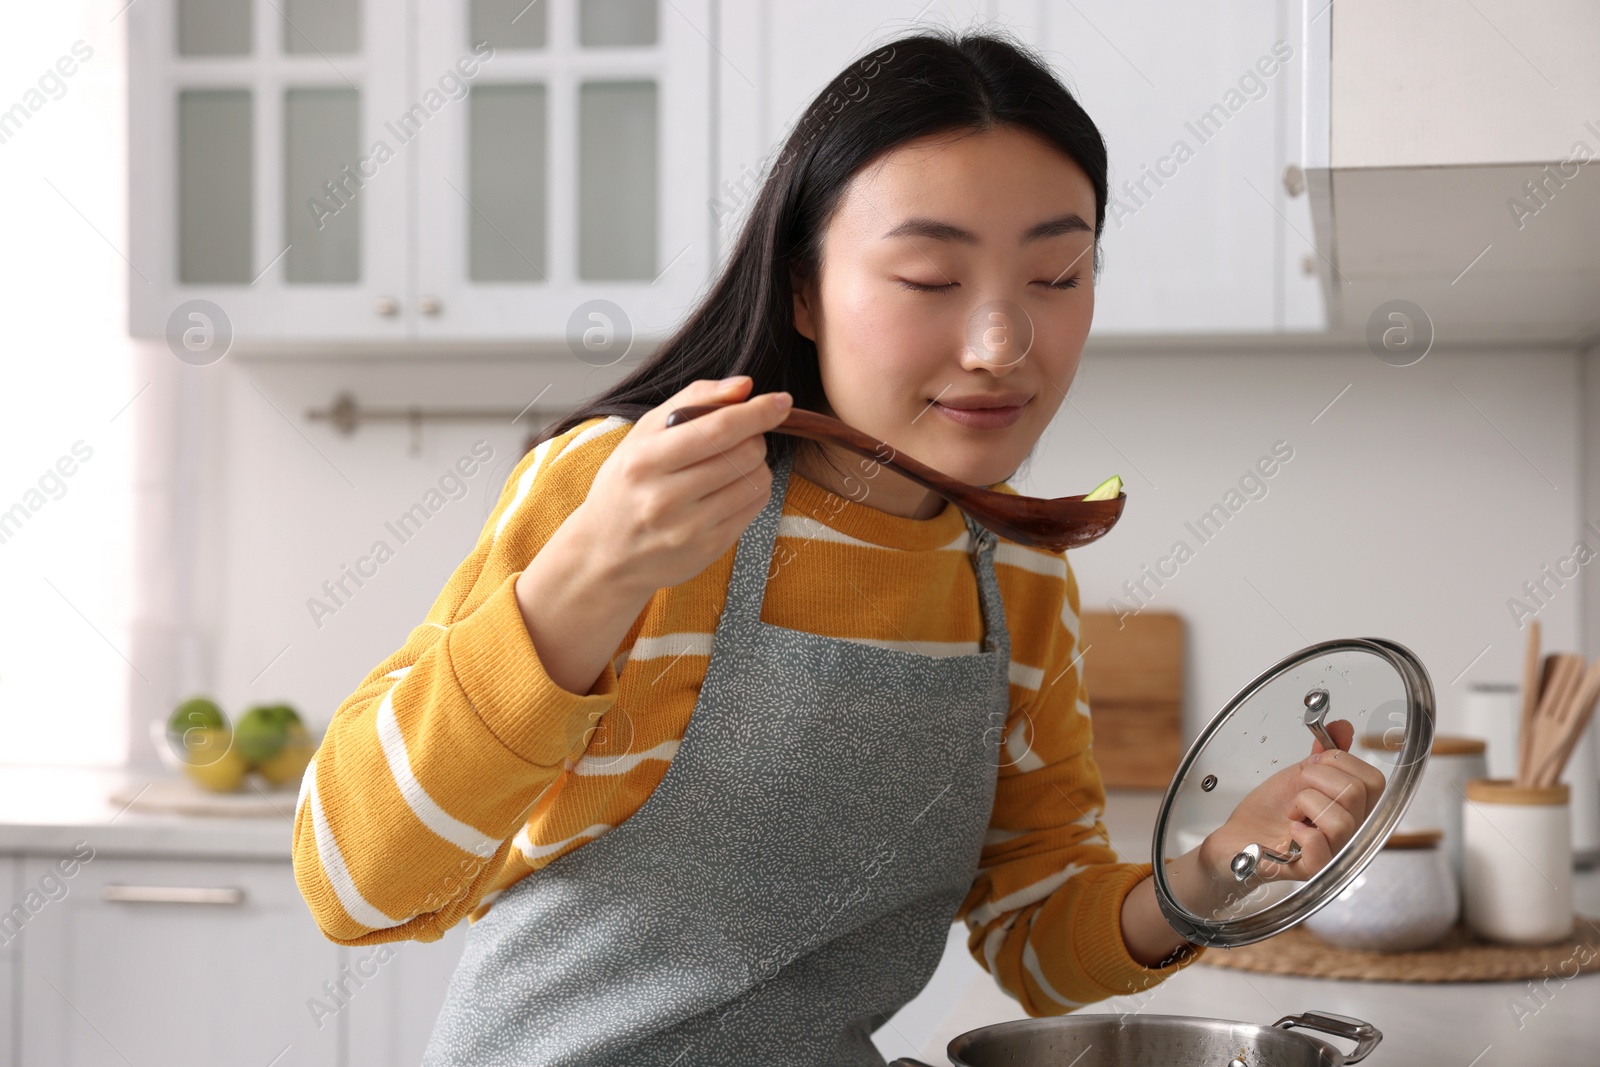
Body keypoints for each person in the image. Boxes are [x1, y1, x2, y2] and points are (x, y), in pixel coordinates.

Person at [291, 27, 1385, 1065]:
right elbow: (356, 882)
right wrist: (593, 571)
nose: (1002, 344)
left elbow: (1035, 929)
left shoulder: (1018, 572)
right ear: (806, 287)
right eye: (928, 280)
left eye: (1057, 278)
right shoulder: (623, 491)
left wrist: (1212, 867)